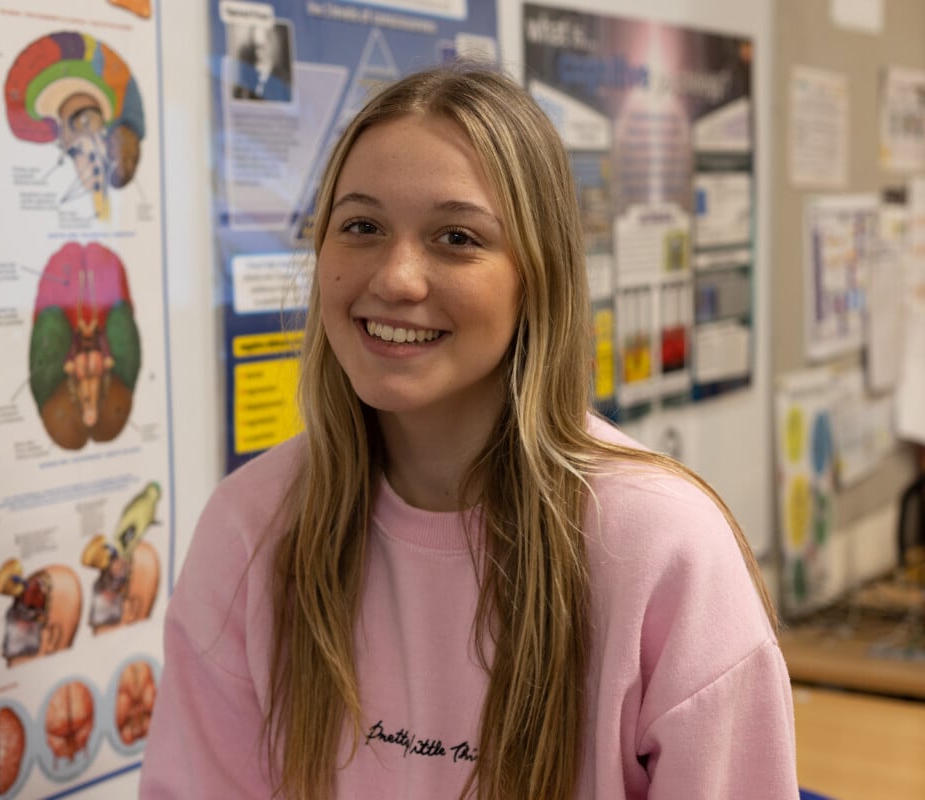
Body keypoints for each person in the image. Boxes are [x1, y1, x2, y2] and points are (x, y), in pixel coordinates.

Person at [140, 62, 797, 798]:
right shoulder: (250, 530)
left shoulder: (663, 551)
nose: (396, 277)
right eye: (362, 226)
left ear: (538, 277)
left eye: (456, 237)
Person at [232, 22, 293, 103]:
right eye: (256, 47)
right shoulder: (246, 75)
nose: (257, 52)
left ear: (271, 45)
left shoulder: (284, 81)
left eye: (262, 47)